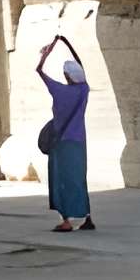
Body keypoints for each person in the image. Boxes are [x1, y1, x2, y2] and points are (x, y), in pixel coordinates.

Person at [35, 36, 95, 232]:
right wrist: (66, 43)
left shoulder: (59, 90)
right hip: (79, 142)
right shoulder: (84, 90)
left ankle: (66, 221)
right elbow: (81, 66)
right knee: (79, 178)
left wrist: (49, 50)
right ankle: (87, 218)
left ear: (67, 76)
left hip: (62, 143)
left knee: (61, 179)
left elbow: (39, 71)